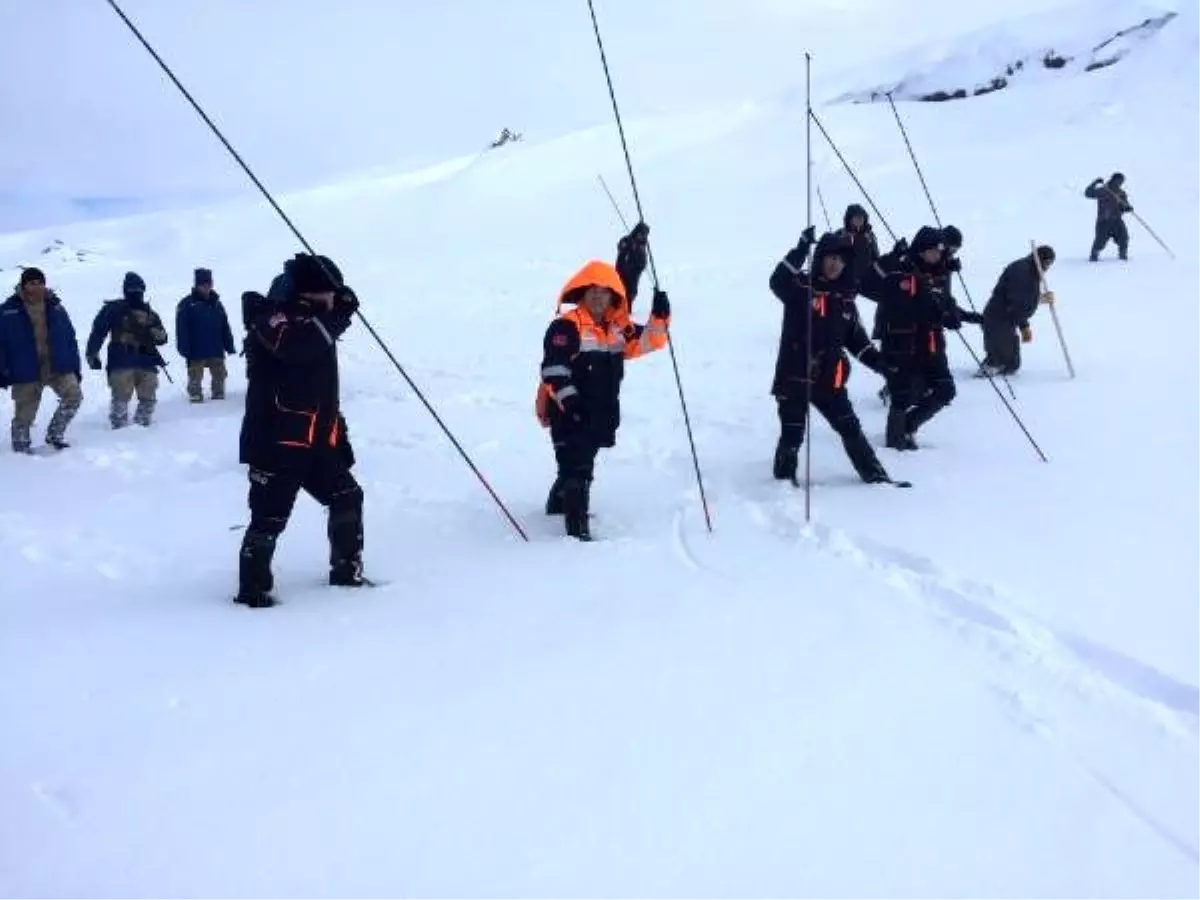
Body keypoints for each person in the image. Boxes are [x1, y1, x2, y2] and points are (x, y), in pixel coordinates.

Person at [236, 253, 365, 607]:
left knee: (347, 497)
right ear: (307, 294)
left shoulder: (317, 321)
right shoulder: (271, 319)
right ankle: (253, 591)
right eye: (328, 294)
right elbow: (296, 347)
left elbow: (323, 386)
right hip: (277, 442)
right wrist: (338, 314)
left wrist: (340, 436)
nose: (334, 302)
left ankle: (346, 571)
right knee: (269, 518)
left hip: (318, 442)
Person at [536, 260, 670, 540]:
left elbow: (650, 342)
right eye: (592, 291)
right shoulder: (565, 327)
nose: (598, 296)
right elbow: (554, 370)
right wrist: (570, 403)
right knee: (578, 470)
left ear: (613, 297)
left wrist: (659, 316)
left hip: (600, 412)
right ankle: (577, 532)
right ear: (582, 294)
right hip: (567, 410)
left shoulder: (617, 329)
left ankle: (557, 504)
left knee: (580, 461)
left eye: (604, 291)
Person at [768, 227, 895, 484]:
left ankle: (876, 477)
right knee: (792, 435)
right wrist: (801, 249)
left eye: (841, 259)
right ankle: (782, 483)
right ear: (821, 259)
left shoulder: (845, 300)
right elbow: (777, 280)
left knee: (850, 428)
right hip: (794, 379)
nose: (835, 263)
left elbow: (857, 341)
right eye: (830, 257)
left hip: (829, 380)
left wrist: (881, 364)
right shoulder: (800, 288)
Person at [877, 226, 962, 450]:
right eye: (932, 251)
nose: (937, 255)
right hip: (904, 343)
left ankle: (909, 424)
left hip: (933, 344)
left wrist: (951, 315)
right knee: (902, 393)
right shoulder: (903, 271)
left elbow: (946, 301)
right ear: (922, 250)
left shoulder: (941, 272)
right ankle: (895, 440)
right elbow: (894, 303)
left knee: (946, 389)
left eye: (940, 252)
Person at [0, 268, 83, 453]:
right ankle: (21, 448)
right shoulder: (7, 311)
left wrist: (75, 366)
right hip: (25, 368)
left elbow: (70, 338)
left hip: (56, 365)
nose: (36, 287)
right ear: (23, 285)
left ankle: (55, 434)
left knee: (74, 396)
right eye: (32, 283)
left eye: (40, 282)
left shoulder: (56, 307)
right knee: (24, 414)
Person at [85, 272, 168, 429]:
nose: (136, 292)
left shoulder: (151, 314)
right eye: (132, 289)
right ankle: (120, 431)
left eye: (138, 289)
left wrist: (156, 332)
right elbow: (98, 331)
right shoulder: (113, 309)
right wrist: (92, 353)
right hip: (121, 359)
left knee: (148, 398)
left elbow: (162, 339)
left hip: (146, 361)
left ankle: (142, 428)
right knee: (121, 398)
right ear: (125, 290)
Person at [979, 246, 1056, 376]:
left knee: (1012, 364)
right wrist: (1039, 299)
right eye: (1047, 263)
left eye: (1050, 264)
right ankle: (989, 369)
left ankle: (998, 362)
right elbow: (1018, 301)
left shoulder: (1032, 270)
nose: (1048, 267)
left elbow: (1022, 302)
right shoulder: (1022, 271)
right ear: (1040, 259)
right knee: (999, 358)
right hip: (998, 318)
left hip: (1009, 318)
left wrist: (1024, 326)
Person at [176, 268, 236, 402]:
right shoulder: (186, 304)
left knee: (220, 374)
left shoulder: (217, 304)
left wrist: (229, 345)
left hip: (216, 348)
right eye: (203, 284)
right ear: (197, 285)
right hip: (195, 350)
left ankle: (218, 393)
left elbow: (225, 327)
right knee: (195, 376)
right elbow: (181, 329)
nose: (206, 287)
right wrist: (184, 349)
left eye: (209, 284)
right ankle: (195, 395)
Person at [834, 203, 880, 292]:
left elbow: (876, 257)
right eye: (856, 217)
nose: (859, 220)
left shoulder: (869, 236)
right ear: (850, 219)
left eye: (861, 217)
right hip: (844, 279)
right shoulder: (840, 234)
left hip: (866, 280)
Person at [1085, 173, 1132, 261]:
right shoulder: (1103, 190)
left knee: (1124, 237)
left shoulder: (1121, 193)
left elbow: (1123, 206)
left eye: (1121, 181)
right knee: (1100, 241)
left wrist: (1127, 208)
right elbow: (1088, 193)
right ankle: (1094, 255)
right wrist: (1094, 183)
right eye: (1118, 181)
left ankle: (1123, 255)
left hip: (1117, 221)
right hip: (1104, 221)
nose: (1120, 183)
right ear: (1113, 180)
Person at [615, 221, 650, 309]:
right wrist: (628, 245)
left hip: (635, 271)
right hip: (623, 270)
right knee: (621, 290)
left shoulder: (643, 244)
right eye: (641, 233)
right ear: (637, 232)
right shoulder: (627, 239)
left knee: (632, 291)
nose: (643, 236)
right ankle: (620, 308)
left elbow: (642, 259)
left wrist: (641, 266)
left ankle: (627, 308)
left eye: (645, 234)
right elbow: (620, 247)